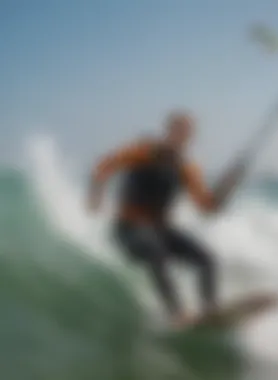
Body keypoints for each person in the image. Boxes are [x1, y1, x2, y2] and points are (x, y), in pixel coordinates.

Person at [87, 111, 244, 327]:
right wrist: (95, 196)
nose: (183, 136)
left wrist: (228, 187)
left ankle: (211, 309)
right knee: (155, 250)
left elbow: (206, 208)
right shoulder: (142, 152)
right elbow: (104, 166)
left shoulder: (187, 168)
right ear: (168, 131)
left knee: (207, 259)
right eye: (178, 131)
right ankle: (177, 313)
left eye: (187, 133)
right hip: (128, 229)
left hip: (160, 230)